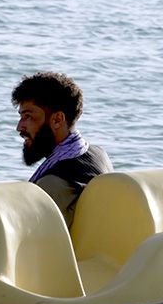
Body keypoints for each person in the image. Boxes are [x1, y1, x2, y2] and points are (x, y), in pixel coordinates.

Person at [12, 71, 112, 225]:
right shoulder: (98, 154)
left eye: (28, 117)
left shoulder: (50, 185)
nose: (19, 127)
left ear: (57, 120)